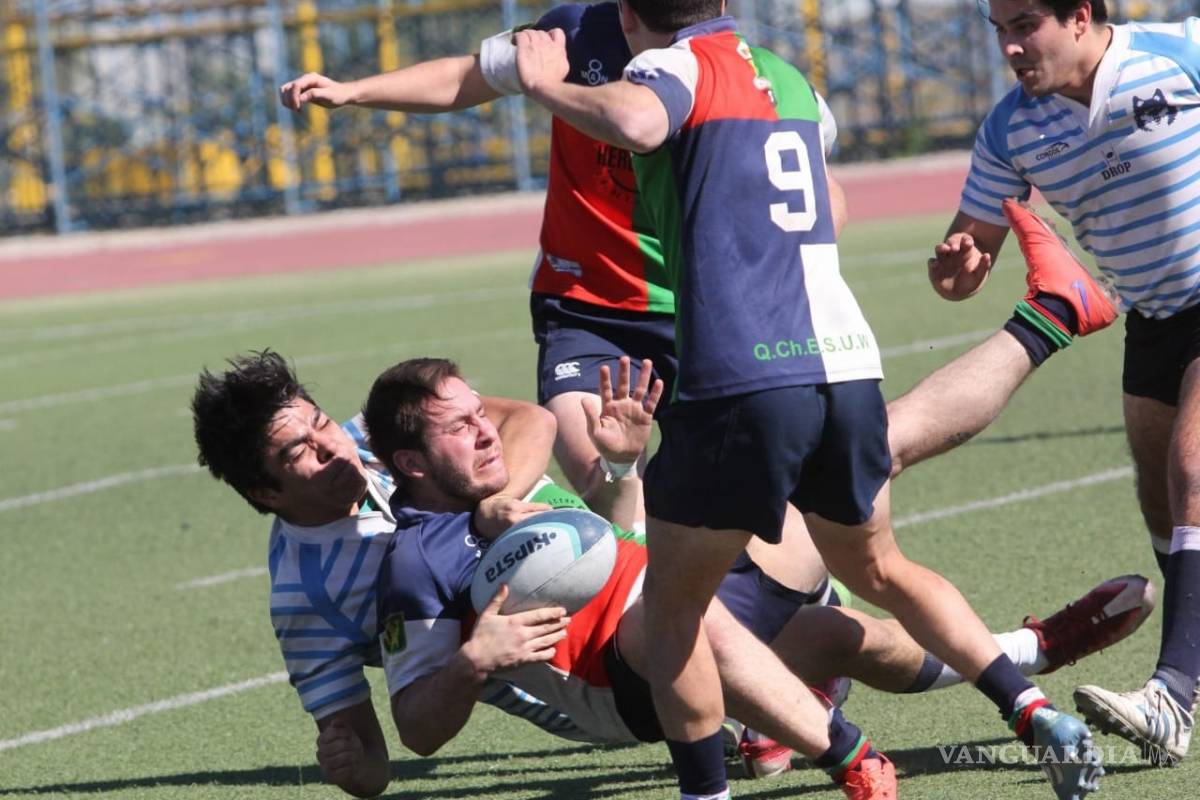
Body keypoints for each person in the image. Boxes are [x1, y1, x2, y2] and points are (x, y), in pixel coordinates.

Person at [510, 2, 1107, 798]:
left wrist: (546, 85)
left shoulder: (670, 68)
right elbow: (830, 204)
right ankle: (1032, 711)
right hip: (844, 363)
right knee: (882, 568)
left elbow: (638, 121)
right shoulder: (787, 79)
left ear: (626, 16)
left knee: (677, 612)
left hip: (742, 373)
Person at [361, 355, 1147, 797]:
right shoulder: (414, 564)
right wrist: (473, 659)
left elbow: (625, 538)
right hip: (628, 682)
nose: (486, 433)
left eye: (479, 413)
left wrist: (626, 462)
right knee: (683, 617)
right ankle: (849, 756)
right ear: (409, 464)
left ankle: (1031, 652)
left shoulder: (513, 486)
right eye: (460, 428)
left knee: (858, 487)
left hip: (684, 595)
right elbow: (418, 732)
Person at [930, 0, 1200, 767]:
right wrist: (956, 266)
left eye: (1025, 26)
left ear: (1079, 16)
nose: (1011, 47)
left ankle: (1173, 696)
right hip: (1154, 318)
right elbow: (968, 256)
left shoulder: (1177, 52)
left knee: (1193, 471)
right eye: (999, 31)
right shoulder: (1010, 128)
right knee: (1161, 502)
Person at [190, 350, 562, 798]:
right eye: (297, 452)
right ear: (266, 492)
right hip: (569, 687)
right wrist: (349, 765)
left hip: (579, 565)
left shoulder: (377, 434)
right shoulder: (307, 599)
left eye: (321, 423)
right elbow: (374, 767)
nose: (330, 447)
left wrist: (496, 504)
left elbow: (530, 420)